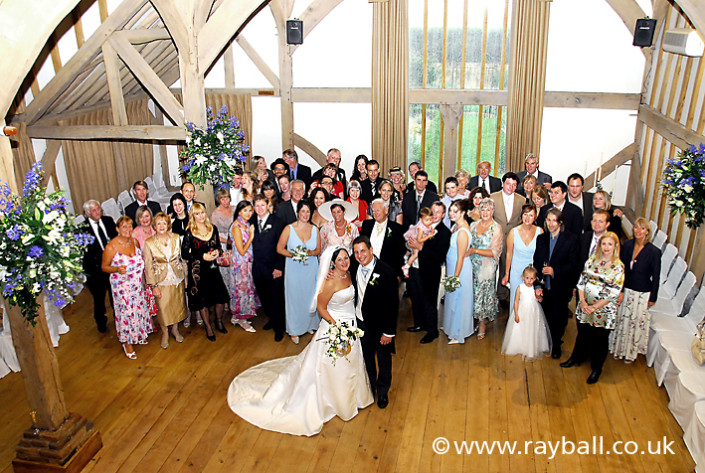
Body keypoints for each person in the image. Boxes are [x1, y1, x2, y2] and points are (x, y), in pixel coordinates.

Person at [227, 247, 373, 436]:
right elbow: (322, 308)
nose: (344, 262)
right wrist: (337, 329)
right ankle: (333, 400)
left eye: (346, 258)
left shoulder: (349, 275)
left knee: (351, 363)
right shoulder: (330, 282)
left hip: (350, 325)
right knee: (330, 367)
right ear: (333, 263)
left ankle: (353, 398)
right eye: (340, 259)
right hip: (335, 328)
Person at [561, 232, 624, 384]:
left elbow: (613, 292)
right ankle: (576, 358)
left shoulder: (618, 267)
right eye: (604, 244)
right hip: (585, 306)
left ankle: (597, 368)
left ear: (615, 246)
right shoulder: (592, 260)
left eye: (610, 244)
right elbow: (581, 282)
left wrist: (594, 307)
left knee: (600, 340)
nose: (606, 247)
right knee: (582, 334)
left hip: (603, 310)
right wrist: (582, 302)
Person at [350, 236, 399, 409]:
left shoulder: (386, 272)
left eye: (363, 250)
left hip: (380, 326)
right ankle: (370, 388)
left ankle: (383, 391)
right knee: (367, 358)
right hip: (361, 323)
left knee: (384, 359)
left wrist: (389, 332)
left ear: (371, 250)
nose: (360, 255)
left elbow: (393, 305)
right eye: (356, 252)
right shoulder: (354, 265)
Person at [609, 217, 661, 362]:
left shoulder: (654, 252)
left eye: (642, 228)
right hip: (626, 289)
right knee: (622, 320)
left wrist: (653, 298)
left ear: (647, 232)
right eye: (636, 227)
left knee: (634, 324)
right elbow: (620, 268)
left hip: (642, 292)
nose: (638, 230)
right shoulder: (627, 245)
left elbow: (656, 277)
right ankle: (618, 349)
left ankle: (630, 353)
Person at [101, 217, 153, 359]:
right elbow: (104, 267)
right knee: (126, 313)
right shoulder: (111, 247)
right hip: (122, 288)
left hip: (136, 285)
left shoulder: (134, 242)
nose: (128, 230)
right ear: (117, 229)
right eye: (124, 227)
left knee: (138, 310)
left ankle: (138, 334)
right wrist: (116, 269)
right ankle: (126, 342)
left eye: (130, 226)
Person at [533, 208, 580, 359]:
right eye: (548, 220)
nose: (551, 223)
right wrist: (538, 284)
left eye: (554, 220)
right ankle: (548, 340)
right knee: (547, 314)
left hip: (561, 285)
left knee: (559, 317)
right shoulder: (541, 238)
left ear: (560, 222)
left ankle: (557, 343)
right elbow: (536, 261)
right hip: (544, 285)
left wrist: (554, 271)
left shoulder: (570, 239)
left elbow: (573, 264)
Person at [181, 203, 230, 341]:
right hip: (198, 271)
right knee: (202, 301)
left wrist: (217, 252)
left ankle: (219, 321)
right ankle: (208, 326)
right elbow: (184, 254)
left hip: (213, 269)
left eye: (202, 213)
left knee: (220, 297)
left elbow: (219, 247)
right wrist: (201, 256)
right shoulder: (189, 232)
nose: (201, 216)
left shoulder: (212, 228)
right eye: (197, 214)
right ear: (193, 216)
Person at [277, 200, 322, 344]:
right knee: (294, 298)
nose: (305, 214)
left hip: (311, 269)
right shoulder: (289, 229)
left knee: (309, 298)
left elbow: (318, 250)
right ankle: (294, 329)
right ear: (298, 212)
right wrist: (293, 255)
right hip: (294, 269)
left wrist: (310, 252)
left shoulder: (315, 229)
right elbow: (280, 248)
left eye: (308, 211)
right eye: (303, 211)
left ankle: (310, 325)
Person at [406, 202, 451, 344]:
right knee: (416, 296)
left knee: (429, 301)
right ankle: (420, 324)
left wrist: (419, 246)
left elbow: (439, 256)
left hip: (430, 270)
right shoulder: (422, 226)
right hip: (415, 267)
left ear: (443, 215)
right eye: (433, 211)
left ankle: (432, 331)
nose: (435, 215)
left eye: (439, 212)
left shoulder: (444, 232)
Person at [143, 212, 187, 349]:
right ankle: (165, 333)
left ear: (168, 224)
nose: (161, 226)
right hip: (160, 280)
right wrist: (153, 285)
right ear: (154, 226)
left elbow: (182, 259)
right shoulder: (149, 242)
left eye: (164, 223)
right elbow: (148, 266)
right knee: (163, 309)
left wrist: (185, 277)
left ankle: (175, 329)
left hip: (176, 277)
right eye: (158, 223)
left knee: (176, 305)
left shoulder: (176, 237)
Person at [251, 194, 286, 342]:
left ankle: (280, 328)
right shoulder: (251, 221)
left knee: (276, 298)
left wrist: (279, 267)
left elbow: (283, 246)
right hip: (258, 268)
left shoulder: (278, 223)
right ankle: (272, 319)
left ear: (268, 205)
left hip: (273, 268)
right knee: (264, 298)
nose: (259, 208)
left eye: (262, 205)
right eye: (257, 206)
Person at [468, 198, 503, 340]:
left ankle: (482, 324)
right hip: (471, 264)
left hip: (486, 266)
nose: (485, 212)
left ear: (493, 211)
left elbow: (494, 252)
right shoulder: (473, 225)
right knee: (472, 294)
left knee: (483, 295)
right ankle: (472, 321)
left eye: (488, 209)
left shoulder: (496, 228)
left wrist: (475, 251)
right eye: (483, 209)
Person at [501, 265, 552, 360]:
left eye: (531, 278)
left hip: (533, 312)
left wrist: (539, 296)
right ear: (523, 277)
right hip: (522, 312)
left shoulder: (535, 289)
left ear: (535, 279)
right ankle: (520, 346)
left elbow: (540, 301)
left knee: (532, 329)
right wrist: (516, 313)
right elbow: (516, 301)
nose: (529, 280)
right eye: (527, 278)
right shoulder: (520, 288)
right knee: (521, 328)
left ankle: (531, 348)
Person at [81, 200, 117, 332]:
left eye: (98, 209)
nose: (98, 212)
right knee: (99, 298)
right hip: (95, 270)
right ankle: (101, 321)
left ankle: (118, 318)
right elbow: (85, 253)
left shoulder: (108, 221)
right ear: (87, 213)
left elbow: (115, 239)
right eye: (94, 211)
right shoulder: (82, 229)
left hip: (112, 265)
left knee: (115, 294)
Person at [502, 204, 542, 320]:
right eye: (525, 214)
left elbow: (542, 255)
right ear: (521, 216)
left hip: (533, 272)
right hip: (516, 271)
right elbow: (509, 254)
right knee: (516, 300)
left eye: (531, 215)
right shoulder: (513, 232)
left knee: (531, 301)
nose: (527, 218)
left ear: (535, 217)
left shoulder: (540, 232)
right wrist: (507, 274)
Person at [490, 172, 526, 302]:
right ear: (503, 183)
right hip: (495, 239)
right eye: (508, 184)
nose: (511, 187)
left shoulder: (522, 200)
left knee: (506, 267)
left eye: (514, 185)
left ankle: (503, 295)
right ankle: (488, 294)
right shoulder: (492, 197)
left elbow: (522, 220)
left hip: (512, 240)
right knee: (491, 268)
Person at [442, 199, 474, 344]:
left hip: (459, 270)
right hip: (452, 267)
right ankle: (450, 326)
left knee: (458, 299)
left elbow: (461, 257)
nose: (451, 214)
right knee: (451, 298)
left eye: (455, 211)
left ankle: (458, 333)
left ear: (463, 213)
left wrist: (455, 277)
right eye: (450, 211)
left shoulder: (462, 232)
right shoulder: (456, 226)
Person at [229, 200, 260, 333]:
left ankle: (236, 315)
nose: (248, 213)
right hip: (240, 265)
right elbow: (241, 250)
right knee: (242, 290)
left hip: (247, 263)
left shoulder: (245, 224)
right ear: (239, 211)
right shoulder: (236, 227)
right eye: (245, 210)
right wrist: (251, 237)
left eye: (249, 210)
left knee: (246, 289)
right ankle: (242, 319)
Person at [360, 198, 405, 278]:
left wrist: (398, 274)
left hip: (387, 272)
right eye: (373, 211)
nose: (375, 213)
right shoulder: (366, 225)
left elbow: (399, 254)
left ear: (386, 210)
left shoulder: (396, 229)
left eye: (378, 210)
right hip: (366, 271)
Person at [211, 188, 235, 298]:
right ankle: (228, 298)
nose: (225, 201)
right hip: (223, 244)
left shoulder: (234, 209)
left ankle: (237, 297)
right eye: (222, 199)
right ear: (218, 200)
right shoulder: (215, 214)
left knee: (236, 270)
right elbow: (214, 235)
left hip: (235, 241)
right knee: (225, 273)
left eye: (227, 198)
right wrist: (227, 240)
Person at [402, 207, 435, 277]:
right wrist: (429, 236)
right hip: (416, 240)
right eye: (427, 220)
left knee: (411, 251)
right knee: (415, 254)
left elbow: (430, 228)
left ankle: (406, 256)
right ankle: (406, 267)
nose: (429, 222)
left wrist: (431, 231)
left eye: (431, 219)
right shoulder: (421, 229)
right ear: (420, 219)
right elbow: (419, 240)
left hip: (416, 239)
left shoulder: (426, 224)